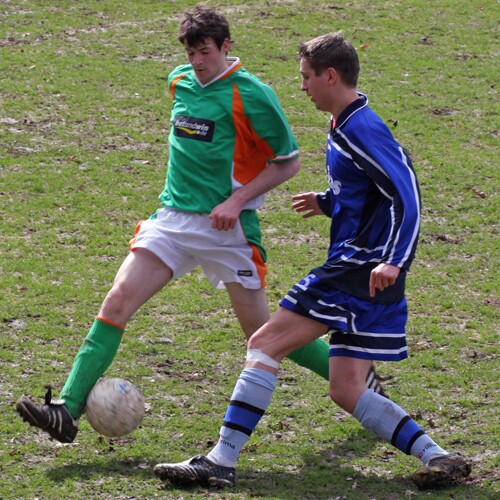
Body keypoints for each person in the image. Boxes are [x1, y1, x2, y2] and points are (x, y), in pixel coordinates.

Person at [16, 8, 388, 445]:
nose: (197, 61)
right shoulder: (180, 81)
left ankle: (359, 379)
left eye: (205, 52)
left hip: (227, 231)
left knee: (264, 336)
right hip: (173, 222)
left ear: (225, 46)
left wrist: (236, 200)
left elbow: (287, 162)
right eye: (191, 52)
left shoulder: (251, 94)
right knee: (116, 302)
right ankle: (67, 409)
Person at [153, 32, 472, 491]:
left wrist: (394, 261)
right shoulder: (345, 123)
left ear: (330, 75)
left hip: (357, 270)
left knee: (264, 343)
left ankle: (221, 460)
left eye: (306, 77)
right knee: (346, 388)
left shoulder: (362, 129)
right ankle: (439, 457)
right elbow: (371, 190)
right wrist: (329, 201)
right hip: (366, 274)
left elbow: (407, 193)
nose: (301, 86)